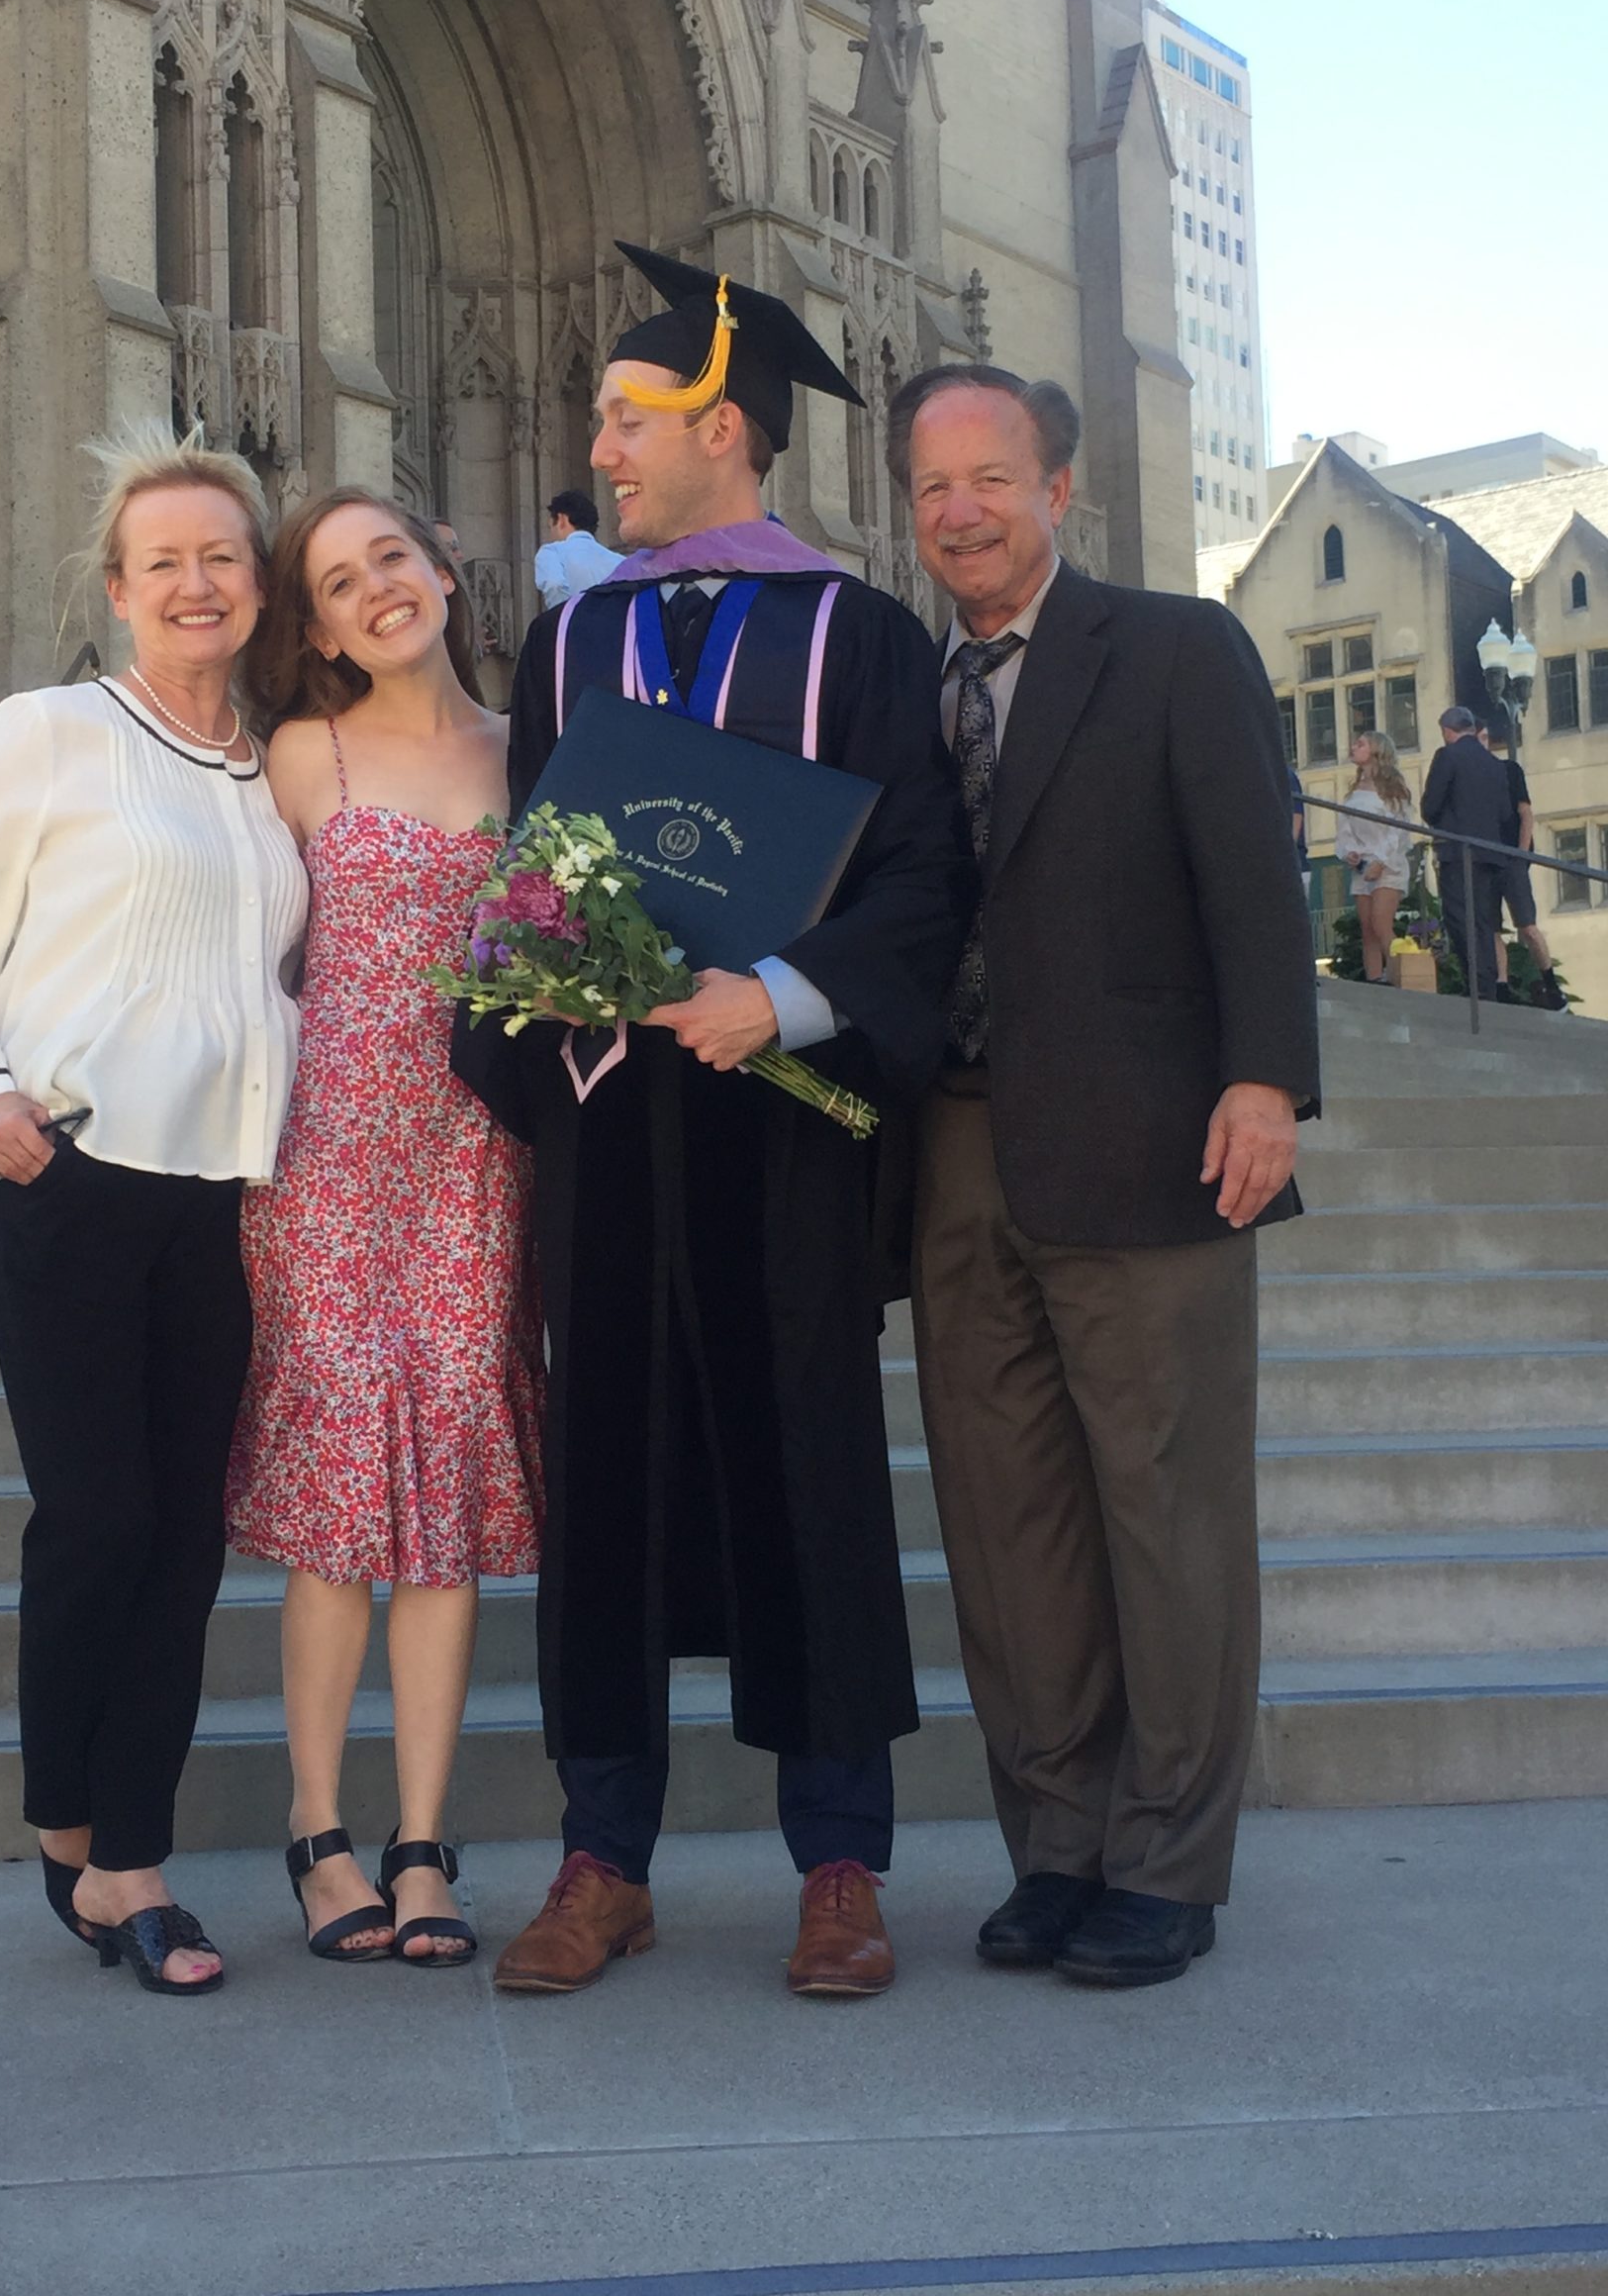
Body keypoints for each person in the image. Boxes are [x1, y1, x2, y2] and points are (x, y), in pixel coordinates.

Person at [454, 243, 969, 2000]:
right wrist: (535, 1005)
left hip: (780, 1120)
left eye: (626, 417)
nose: (601, 446)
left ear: (724, 429)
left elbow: (920, 874)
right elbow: (536, 857)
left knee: (808, 1471)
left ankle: (842, 1864)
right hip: (608, 1126)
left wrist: (786, 997)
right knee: (607, 1482)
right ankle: (606, 1855)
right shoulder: (575, 638)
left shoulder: (861, 636)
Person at [892, 361, 1319, 1990]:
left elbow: (1251, 876)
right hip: (956, 1153)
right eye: (933, 485)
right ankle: (1054, 1843)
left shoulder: (1172, 649)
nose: (961, 511)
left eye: (991, 478)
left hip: (1154, 1152)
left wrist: (1267, 1076)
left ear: (1057, 489)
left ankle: (1165, 1859)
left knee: (1168, 1513)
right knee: (1008, 1530)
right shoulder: (915, 692)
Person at [0, 425, 309, 1998]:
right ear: (120, 591)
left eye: (221, 557)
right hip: (71, 1176)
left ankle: (113, 1844)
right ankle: (89, 1840)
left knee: (185, 1536)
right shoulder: (54, 731)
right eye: (164, 564)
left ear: (258, 586)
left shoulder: (276, 772)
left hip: (226, 1197)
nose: (195, 584)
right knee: (100, 1518)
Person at [226, 491, 544, 1969]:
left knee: (449, 1497)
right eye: (340, 584)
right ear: (321, 623)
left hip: (477, 1160)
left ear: (440, 569)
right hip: (331, 1161)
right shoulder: (303, 753)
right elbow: (235, 952)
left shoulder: (529, 754)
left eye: (390, 560)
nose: (375, 593)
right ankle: (317, 1828)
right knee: (346, 1490)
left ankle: (420, 1841)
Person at [1421, 707, 1517, 1001]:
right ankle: (1487, 984)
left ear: (1448, 731)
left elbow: (1430, 806)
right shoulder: (1495, 763)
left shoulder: (1447, 756)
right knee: (1484, 920)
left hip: (1457, 851)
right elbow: (1504, 812)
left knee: (1460, 917)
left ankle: (1476, 985)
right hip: (1490, 853)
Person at [1478, 719, 1567, 1010]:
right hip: (1484, 859)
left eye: (1481, 738)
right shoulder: (1469, 776)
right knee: (1491, 927)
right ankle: (1502, 985)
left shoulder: (1508, 770)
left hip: (1511, 858)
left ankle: (1550, 982)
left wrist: (1521, 853)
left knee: (1527, 926)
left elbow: (1525, 812)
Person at [1336, 729, 1415, 985]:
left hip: (1387, 864)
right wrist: (1350, 851)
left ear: (1376, 751)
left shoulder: (1393, 789)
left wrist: (1381, 861)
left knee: (1381, 922)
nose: (1353, 747)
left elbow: (1398, 829)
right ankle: (1374, 980)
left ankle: (1401, 977)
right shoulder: (1354, 791)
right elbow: (1345, 826)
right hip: (1362, 863)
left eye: (1360, 744)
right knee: (1367, 928)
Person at [533, 488, 624, 610]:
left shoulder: (552, 552)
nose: (551, 535)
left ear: (561, 520)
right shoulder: (620, 561)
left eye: (550, 527)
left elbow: (554, 585)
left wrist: (563, 619)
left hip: (573, 625)